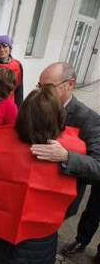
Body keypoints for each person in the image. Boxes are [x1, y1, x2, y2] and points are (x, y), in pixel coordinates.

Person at [0, 85, 86, 264]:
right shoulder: (73, 150)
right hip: (40, 236)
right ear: (58, 116)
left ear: (23, 113)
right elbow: (73, 196)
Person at [32, 62, 100, 259]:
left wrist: (67, 157)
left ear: (70, 84)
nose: (41, 93)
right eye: (39, 86)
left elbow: (97, 166)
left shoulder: (88, 119)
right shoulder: (34, 105)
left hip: (59, 200)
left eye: (48, 88)